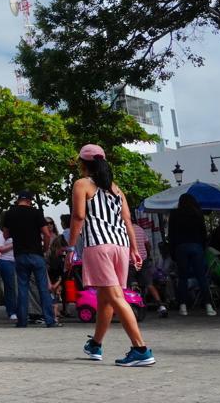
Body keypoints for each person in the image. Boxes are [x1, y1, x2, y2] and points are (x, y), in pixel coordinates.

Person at [70, 144, 154, 367]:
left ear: (83, 163)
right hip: (121, 246)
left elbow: (78, 217)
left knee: (115, 297)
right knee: (105, 297)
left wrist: (70, 247)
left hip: (99, 245)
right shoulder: (117, 190)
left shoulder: (82, 184)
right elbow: (127, 221)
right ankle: (95, 344)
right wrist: (135, 250)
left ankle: (140, 349)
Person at [2, 190, 58, 328]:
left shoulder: (9, 214)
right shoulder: (36, 213)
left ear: (18, 200)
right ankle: (50, 320)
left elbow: (5, 235)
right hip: (36, 254)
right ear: (30, 200)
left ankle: (22, 321)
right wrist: (44, 248)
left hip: (20, 255)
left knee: (22, 288)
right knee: (43, 288)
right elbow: (46, 233)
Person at [168, 193, 216, 316]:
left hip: (180, 247)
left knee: (183, 278)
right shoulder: (198, 213)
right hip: (196, 246)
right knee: (201, 277)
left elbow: (171, 234)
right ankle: (208, 306)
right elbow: (203, 232)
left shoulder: (174, 214)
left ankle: (183, 306)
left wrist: (173, 252)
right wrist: (203, 247)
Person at [0, 226, 17, 321]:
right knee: (10, 287)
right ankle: (11, 311)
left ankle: (19, 310)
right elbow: (0, 249)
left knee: (17, 287)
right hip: (5, 261)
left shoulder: (14, 232)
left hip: (16, 260)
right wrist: (14, 244)